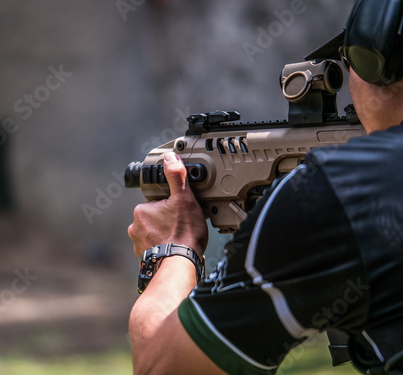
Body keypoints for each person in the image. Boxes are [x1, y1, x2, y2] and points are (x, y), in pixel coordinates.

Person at [127, 0, 403, 374]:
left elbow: (164, 367)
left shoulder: (343, 190)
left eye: (349, 56)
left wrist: (171, 249)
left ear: (377, 56)